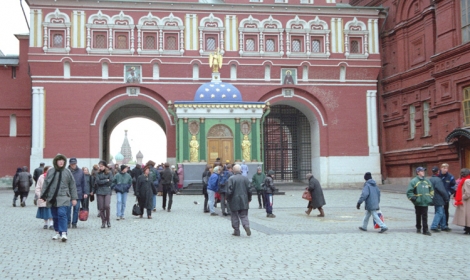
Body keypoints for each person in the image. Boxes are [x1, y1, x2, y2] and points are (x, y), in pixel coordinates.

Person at [40, 154, 77, 242]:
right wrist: (43, 196)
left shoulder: (67, 172)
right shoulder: (51, 171)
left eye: (62, 160)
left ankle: (64, 233)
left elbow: (72, 185)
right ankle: (57, 232)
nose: (61, 162)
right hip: (53, 197)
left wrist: (74, 198)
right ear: (56, 162)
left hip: (64, 196)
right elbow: (46, 184)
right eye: (59, 160)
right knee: (55, 216)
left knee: (62, 214)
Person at [407, 167, 434, 236]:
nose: (423, 172)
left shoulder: (427, 181)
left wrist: (430, 197)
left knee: (425, 216)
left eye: (423, 171)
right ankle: (418, 227)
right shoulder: (414, 181)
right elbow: (409, 191)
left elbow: (431, 189)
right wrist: (412, 197)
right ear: (418, 172)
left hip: (425, 201)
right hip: (418, 201)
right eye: (421, 171)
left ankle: (425, 230)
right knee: (418, 215)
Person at [227, 164, 252, 236]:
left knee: (234, 215)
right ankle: (246, 226)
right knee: (244, 215)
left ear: (233, 171)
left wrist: (228, 199)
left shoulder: (231, 179)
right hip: (244, 199)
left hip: (234, 199)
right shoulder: (245, 178)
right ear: (240, 170)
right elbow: (249, 190)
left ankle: (236, 230)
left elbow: (229, 191)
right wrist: (249, 199)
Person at [91, 160, 113, 228]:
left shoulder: (109, 173)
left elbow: (111, 181)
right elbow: (98, 182)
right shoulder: (97, 173)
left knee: (107, 206)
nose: (100, 168)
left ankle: (108, 220)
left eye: (102, 166)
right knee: (101, 208)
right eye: (99, 166)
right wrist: (106, 180)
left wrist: (104, 181)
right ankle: (103, 221)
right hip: (99, 191)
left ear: (105, 166)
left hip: (107, 191)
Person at [429, 166, 451, 233]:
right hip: (439, 198)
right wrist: (446, 197)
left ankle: (443, 226)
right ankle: (434, 226)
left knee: (442, 212)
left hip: (433, 197)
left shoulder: (430, 179)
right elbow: (442, 190)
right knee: (440, 212)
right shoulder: (438, 180)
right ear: (438, 172)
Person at [67, 158, 87, 229]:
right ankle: (68, 222)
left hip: (78, 192)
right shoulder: (66, 171)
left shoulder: (80, 172)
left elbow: (84, 183)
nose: (73, 165)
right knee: (68, 208)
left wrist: (85, 192)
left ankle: (74, 223)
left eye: (74, 164)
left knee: (76, 209)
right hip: (68, 193)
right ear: (69, 164)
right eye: (72, 164)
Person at [453, 168, 470, 234]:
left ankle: (468, 228)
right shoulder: (465, 180)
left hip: (467, 201)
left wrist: (462, 197)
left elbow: (468, 193)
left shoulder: (467, 181)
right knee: (466, 216)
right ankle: (467, 228)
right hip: (466, 202)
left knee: (467, 215)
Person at [439, 163, 456, 227]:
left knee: (446, 210)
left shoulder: (450, 176)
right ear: (441, 168)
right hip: (438, 196)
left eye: (446, 168)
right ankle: (438, 223)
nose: (445, 169)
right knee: (438, 210)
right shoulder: (438, 176)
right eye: (444, 168)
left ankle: (445, 223)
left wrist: (449, 192)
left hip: (446, 196)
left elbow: (453, 186)